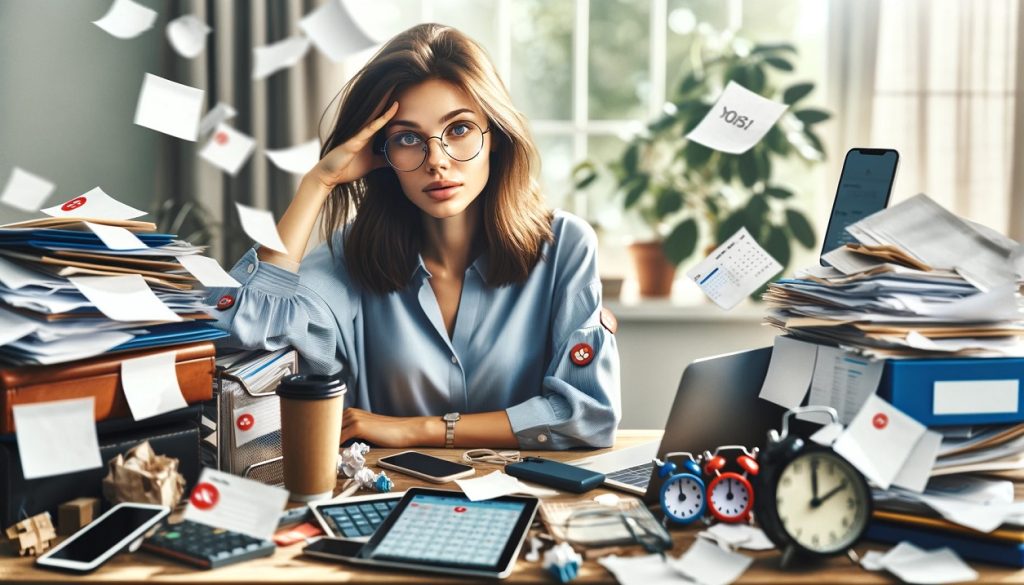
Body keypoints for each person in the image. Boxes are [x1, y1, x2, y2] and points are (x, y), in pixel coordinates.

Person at [208, 23, 620, 450]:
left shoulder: (565, 246)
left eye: (459, 129)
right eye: (407, 138)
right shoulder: (348, 259)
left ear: (494, 136)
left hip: (530, 499)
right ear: (381, 153)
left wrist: (418, 428)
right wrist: (319, 182)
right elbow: (236, 338)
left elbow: (588, 414)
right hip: (386, 499)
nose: (436, 161)